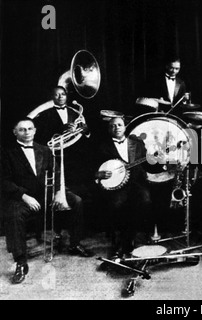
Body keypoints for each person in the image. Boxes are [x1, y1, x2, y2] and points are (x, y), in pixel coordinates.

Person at [2, 118, 93, 284]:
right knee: (13, 214)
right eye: (22, 129)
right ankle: (21, 261)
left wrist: (59, 192)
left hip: (47, 193)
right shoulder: (6, 152)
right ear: (15, 132)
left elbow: (57, 173)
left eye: (30, 129)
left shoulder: (44, 149)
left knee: (77, 201)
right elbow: (4, 181)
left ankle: (74, 243)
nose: (27, 132)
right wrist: (23, 196)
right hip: (22, 198)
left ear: (35, 130)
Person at [94, 117, 154, 258]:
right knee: (117, 204)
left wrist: (159, 160)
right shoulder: (103, 146)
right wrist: (99, 174)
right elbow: (94, 167)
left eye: (119, 125)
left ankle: (129, 238)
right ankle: (119, 241)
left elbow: (148, 164)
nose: (117, 128)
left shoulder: (137, 144)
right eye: (113, 126)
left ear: (125, 127)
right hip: (117, 186)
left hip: (137, 183)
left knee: (145, 201)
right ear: (109, 129)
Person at [31, 86, 90, 191]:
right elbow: (41, 137)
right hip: (56, 155)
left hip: (74, 154)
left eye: (63, 94)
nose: (60, 97)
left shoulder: (75, 113)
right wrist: (61, 129)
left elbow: (86, 138)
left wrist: (86, 131)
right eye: (56, 94)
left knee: (78, 185)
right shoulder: (45, 114)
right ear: (52, 97)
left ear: (66, 96)